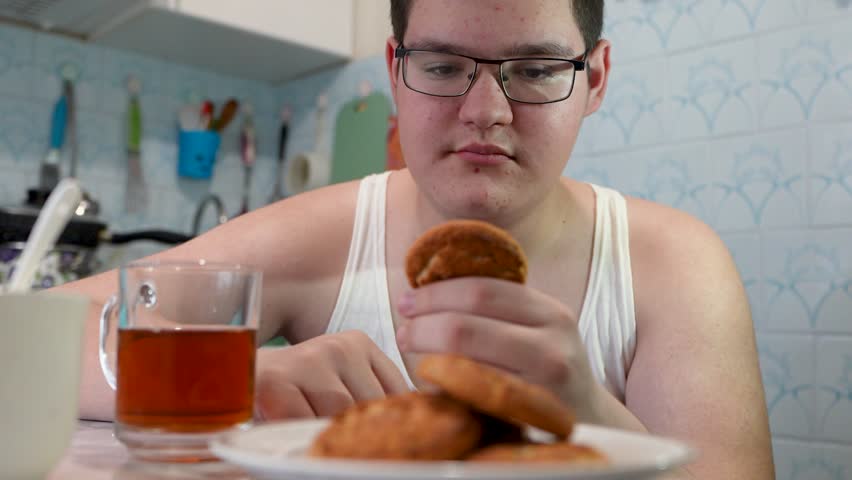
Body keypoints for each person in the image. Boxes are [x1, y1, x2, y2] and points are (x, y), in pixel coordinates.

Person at [57, 0, 774, 477]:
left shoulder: (674, 264)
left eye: (536, 70)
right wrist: (221, 377)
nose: (487, 111)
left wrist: (588, 417)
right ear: (396, 75)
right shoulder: (327, 234)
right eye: (441, 67)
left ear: (596, 79)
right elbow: (26, 335)